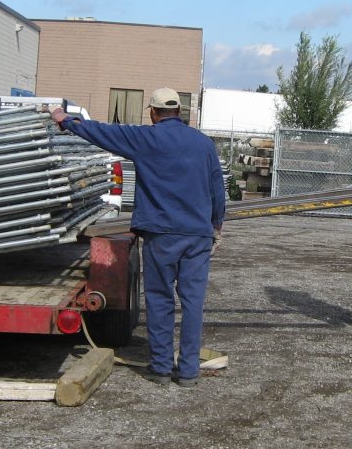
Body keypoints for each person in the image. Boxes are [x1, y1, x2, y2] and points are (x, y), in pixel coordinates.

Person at [51, 88, 226, 387]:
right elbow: (217, 189)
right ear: (179, 113)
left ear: (153, 113)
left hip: (161, 234)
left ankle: (160, 369)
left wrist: (65, 120)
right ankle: (188, 372)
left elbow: (103, 133)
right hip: (197, 235)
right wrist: (216, 226)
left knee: (159, 300)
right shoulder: (203, 143)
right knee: (193, 302)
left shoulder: (146, 138)